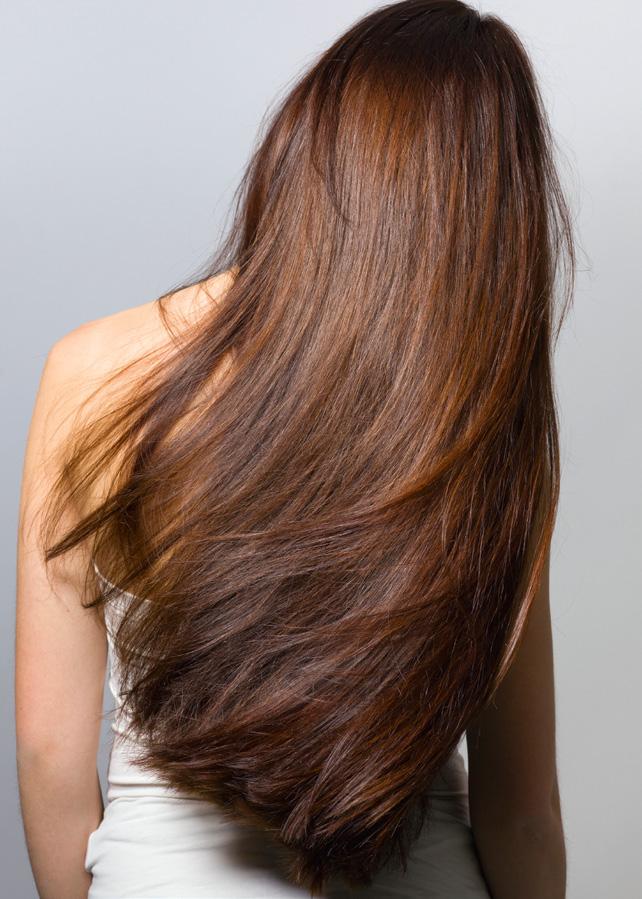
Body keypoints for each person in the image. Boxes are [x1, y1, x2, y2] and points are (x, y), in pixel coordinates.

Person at [15, 1, 575, 897]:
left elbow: (50, 753)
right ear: (486, 218)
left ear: (306, 148)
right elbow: (523, 812)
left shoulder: (92, 371)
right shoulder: (477, 433)